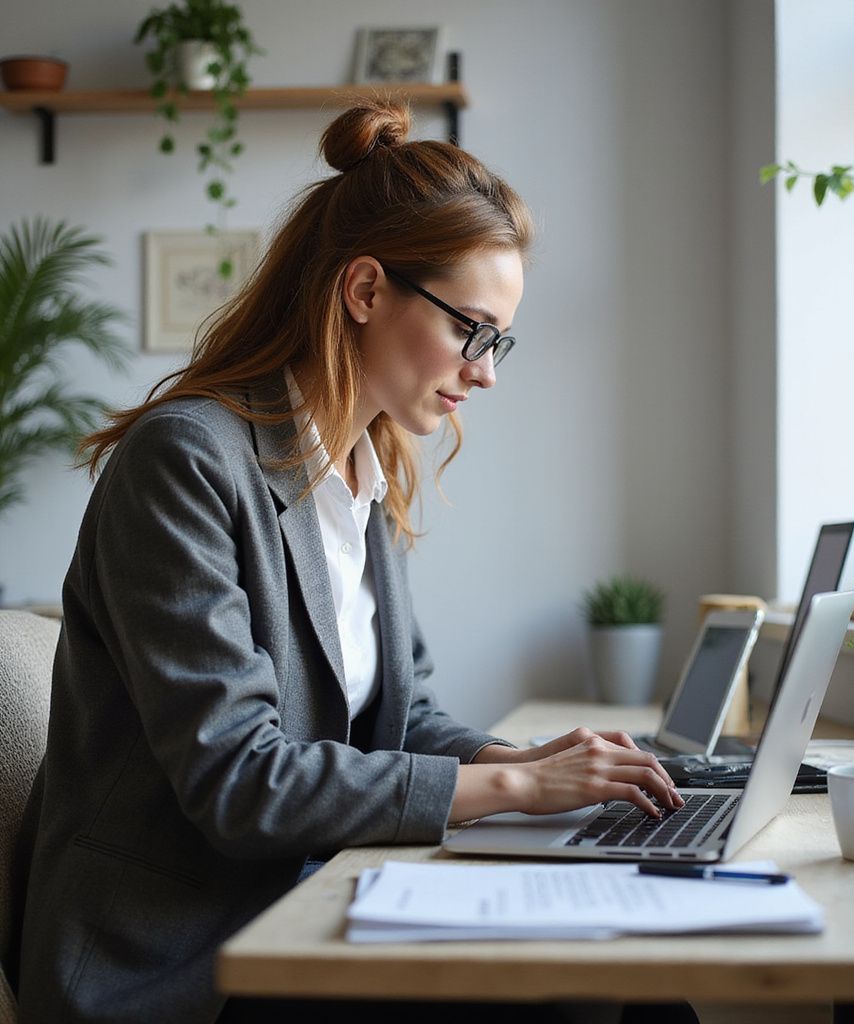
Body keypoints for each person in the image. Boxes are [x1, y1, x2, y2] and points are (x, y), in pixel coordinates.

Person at [7, 103, 688, 1024]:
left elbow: (400, 716)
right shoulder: (186, 463)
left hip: (303, 905)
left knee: (627, 969)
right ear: (365, 290)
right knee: (592, 999)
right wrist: (517, 788)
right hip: (173, 961)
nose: (486, 372)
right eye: (472, 332)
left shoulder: (361, 471)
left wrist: (530, 760)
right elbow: (242, 782)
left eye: (499, 340)